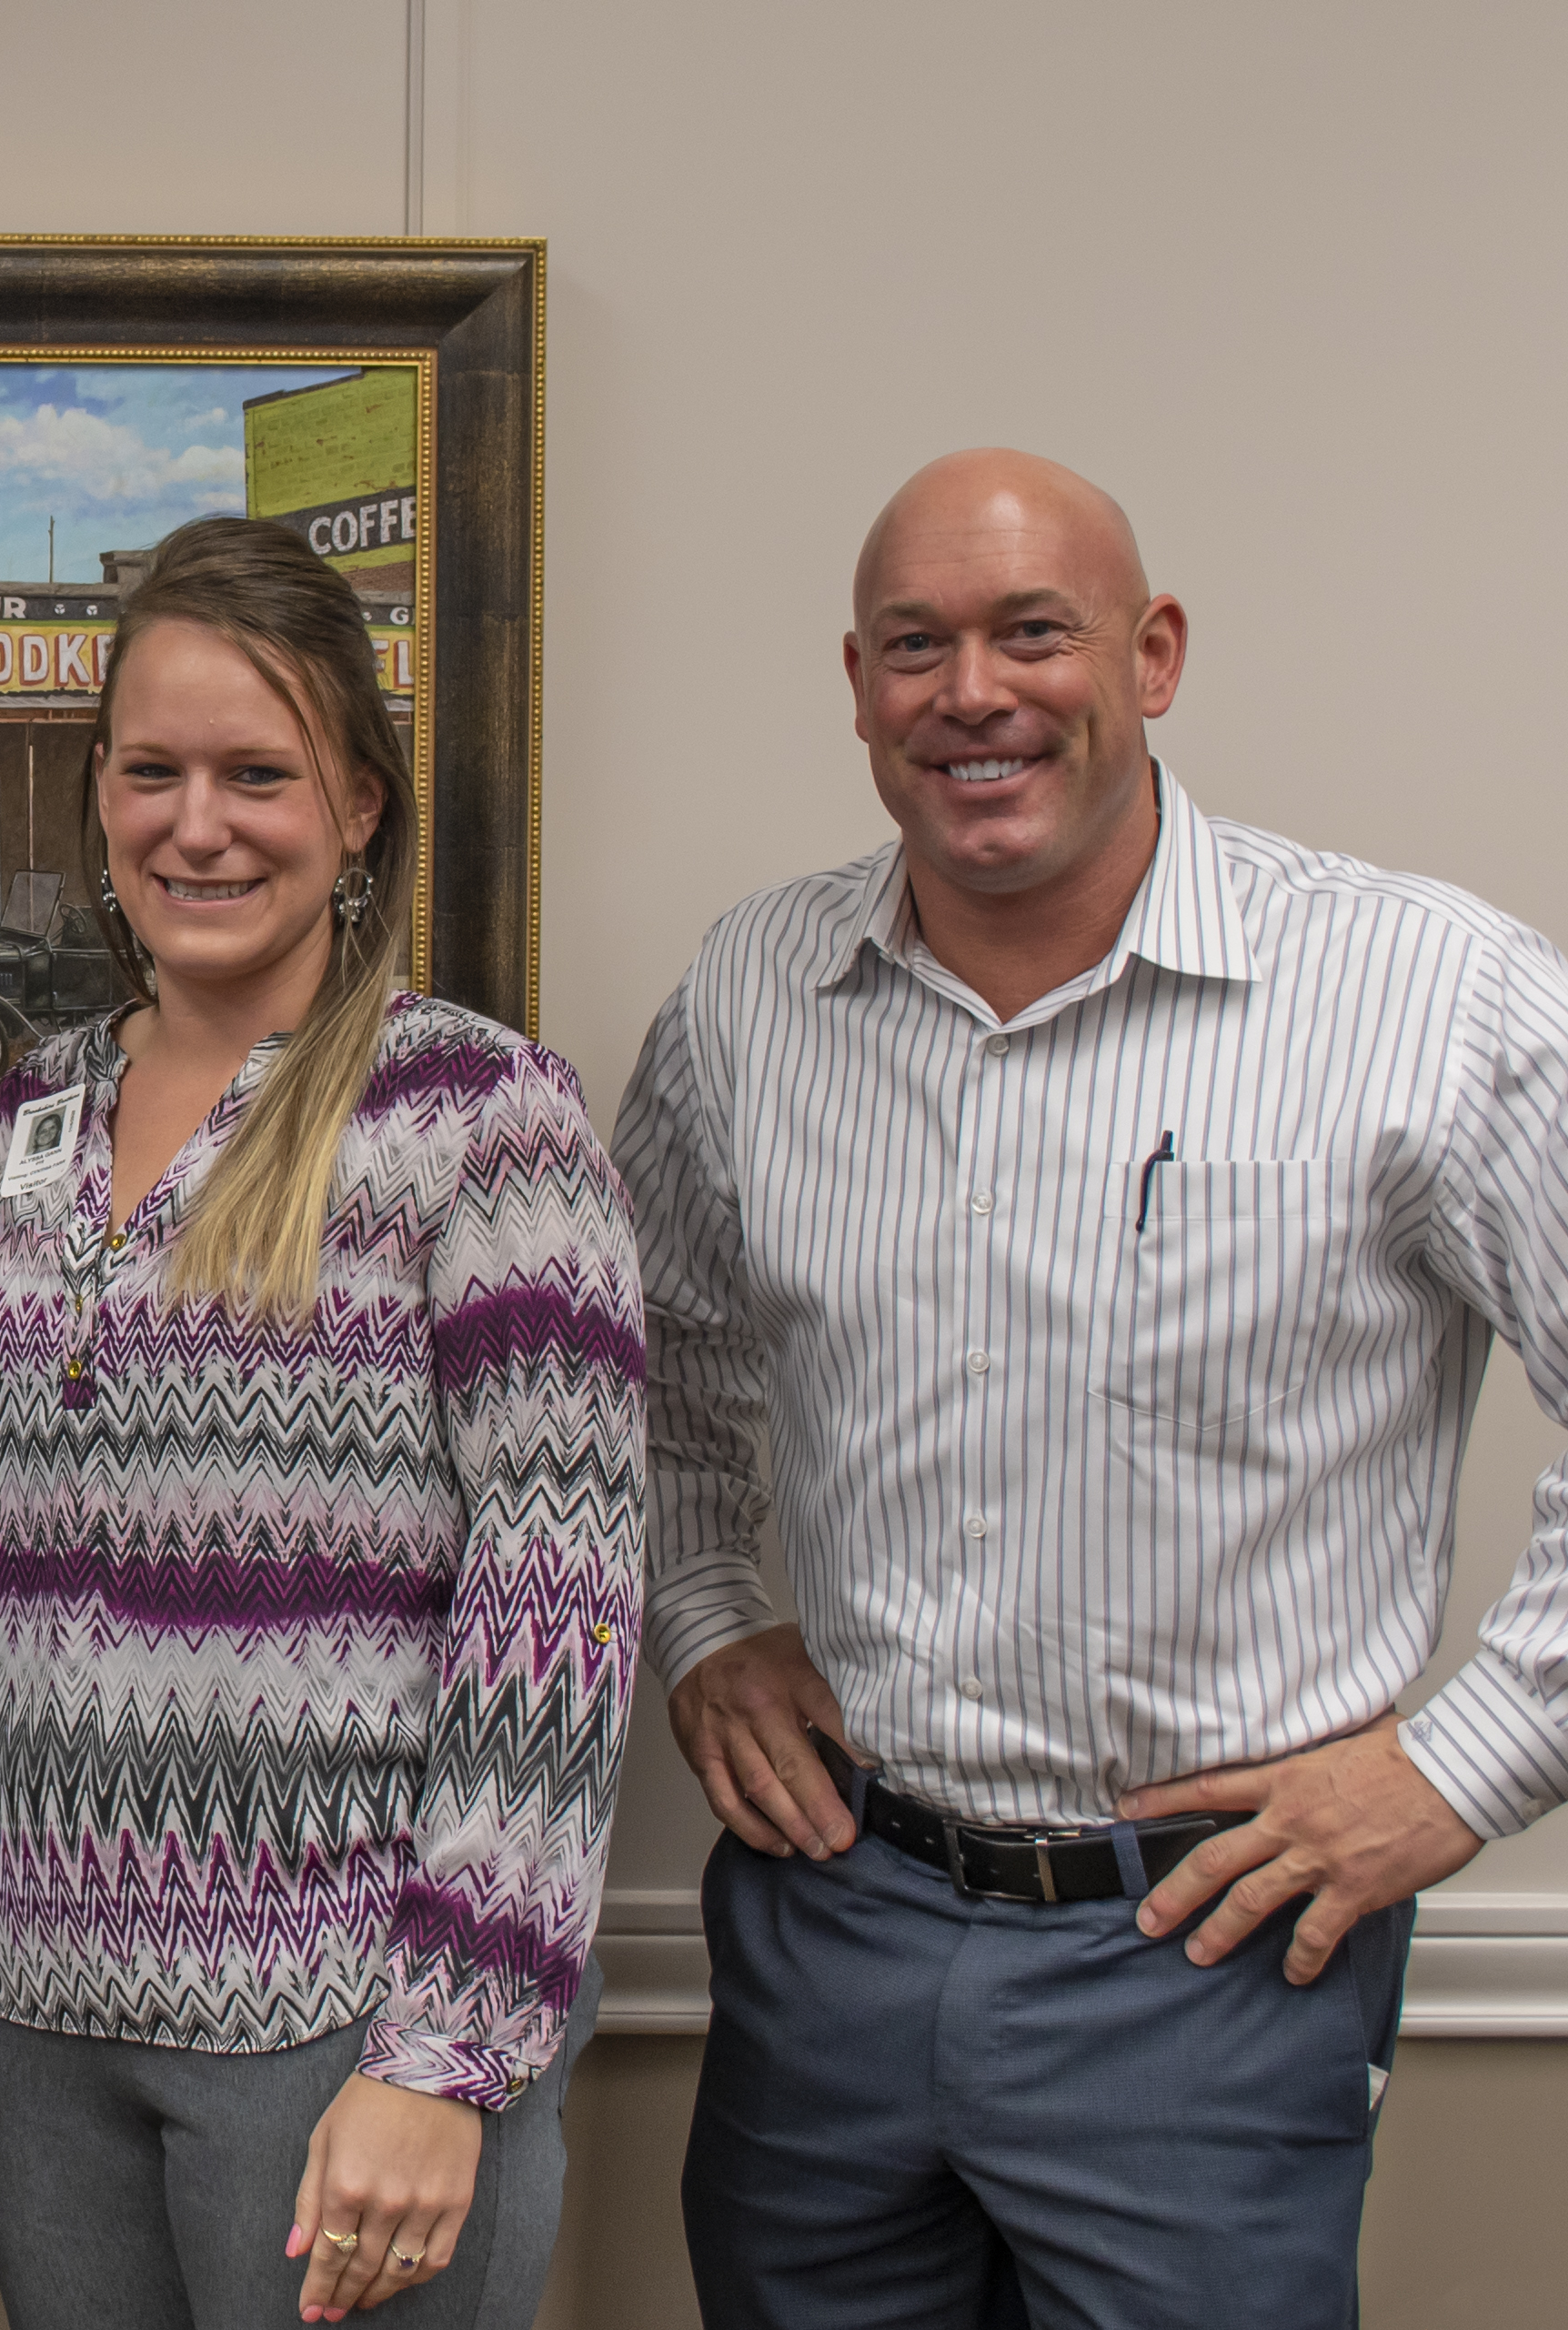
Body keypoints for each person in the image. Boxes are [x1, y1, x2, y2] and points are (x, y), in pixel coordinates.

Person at [619, 448, 1568, 2329]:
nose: (973, 690)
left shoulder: (1427, 992)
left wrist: (1458, 1767)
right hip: (836, 1927)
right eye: (917, 644)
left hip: (1207, 1951)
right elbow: (649, 1370)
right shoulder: (751, 995)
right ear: (860, 684)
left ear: (1154, 656)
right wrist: (715, 1617)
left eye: (1031, 631)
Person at [0, 516, 648, 2328]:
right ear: (98, 793)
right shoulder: (37, 1112)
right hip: (29, 2008)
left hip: (334, 2022)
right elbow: (9, 1574)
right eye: (152, 770)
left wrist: (449, 2055)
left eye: (258, 773)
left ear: (358, 806)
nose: (196, 821)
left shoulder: (482, 1116)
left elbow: (562, 1613)